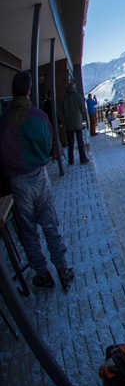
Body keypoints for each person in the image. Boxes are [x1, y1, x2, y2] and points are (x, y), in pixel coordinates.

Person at [0, 71, 74, 291]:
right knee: (50, 225)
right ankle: (62, 269)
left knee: (29, 232)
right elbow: (49, 145)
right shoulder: (39, 116)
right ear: (29, 90)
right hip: (39, 177)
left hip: (17, 182)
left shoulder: (3, 122)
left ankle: (42, 275)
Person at [60, 81, 90, 165]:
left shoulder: (65, 99)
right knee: (80, 141)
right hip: (77, 123)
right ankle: (82, 158)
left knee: (70, 142)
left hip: (69, 124)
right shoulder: (78, 97)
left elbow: (63, 111)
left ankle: (71, 159)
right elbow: (82, 109)